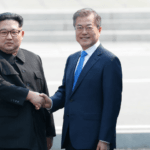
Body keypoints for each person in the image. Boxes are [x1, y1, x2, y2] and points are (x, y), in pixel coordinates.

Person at [39, 8, 122, 150]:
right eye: (79, 28)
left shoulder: (109, 61)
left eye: (89, 27)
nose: (84, 32)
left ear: (99, 29)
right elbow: (66, 92)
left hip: (95, 140)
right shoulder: (72, 59)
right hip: (71, 136)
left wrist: (105, 139)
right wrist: (51, 102)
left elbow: (112, 105)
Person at [0, 12, 55, 150]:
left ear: (22, 34)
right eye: (4, 32)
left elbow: (44, 95)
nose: (9, 37)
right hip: (3, 139)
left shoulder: (34, 58)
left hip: (35, 137)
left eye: (14, 32)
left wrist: (49, 132)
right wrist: (30, 95)